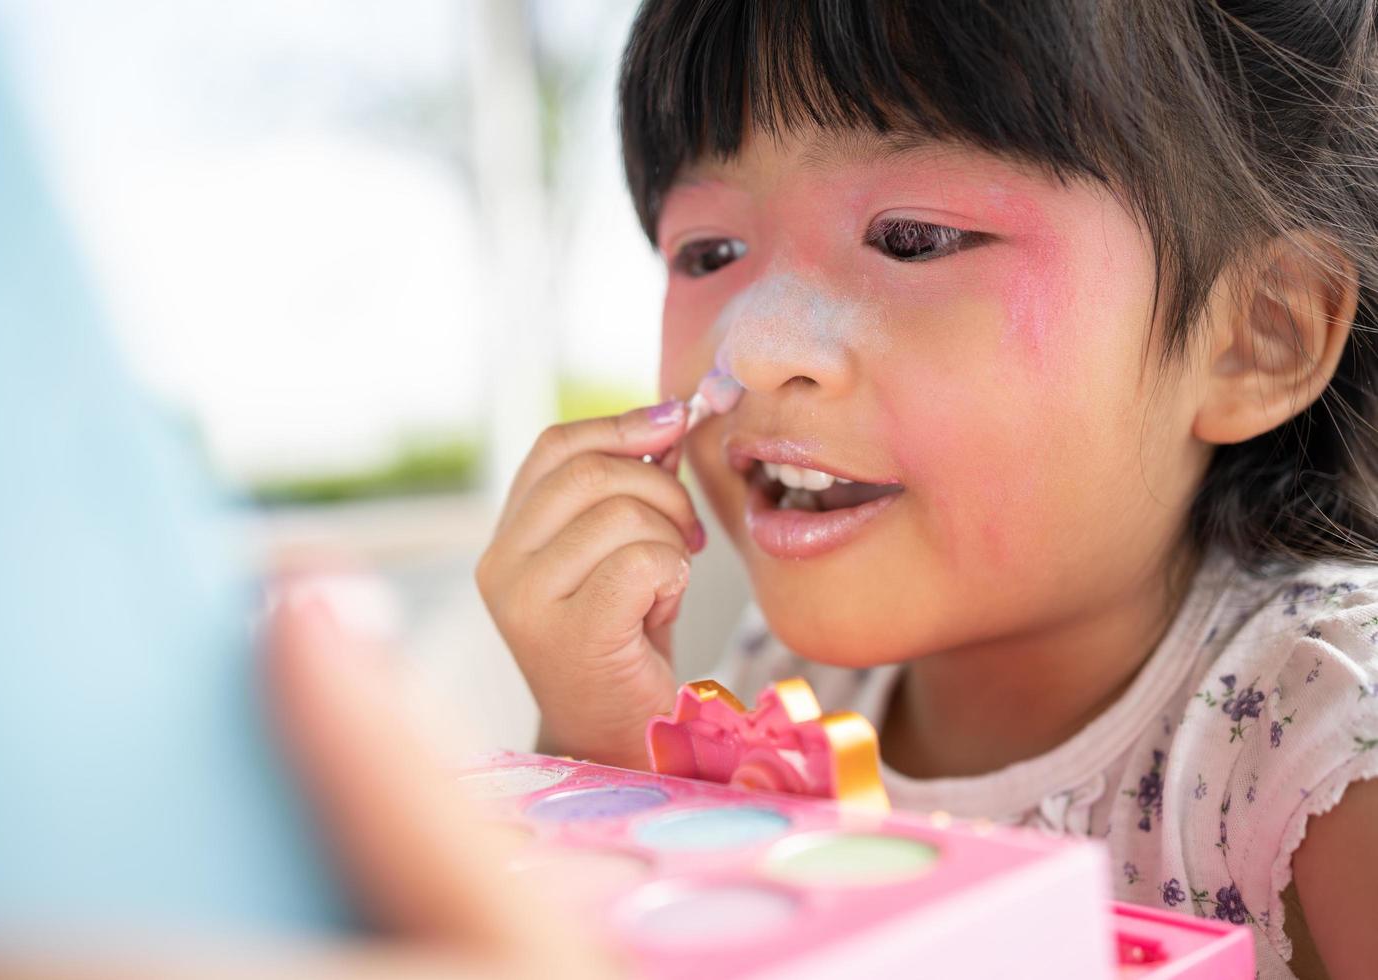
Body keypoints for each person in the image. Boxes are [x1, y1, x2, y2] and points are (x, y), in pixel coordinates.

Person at [475, 3, 1378, 977]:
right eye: (711, 254)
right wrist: (604, 746)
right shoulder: (785, 678)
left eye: (910, 238)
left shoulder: (1327, 738)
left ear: (1256, 336)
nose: (758, 347)